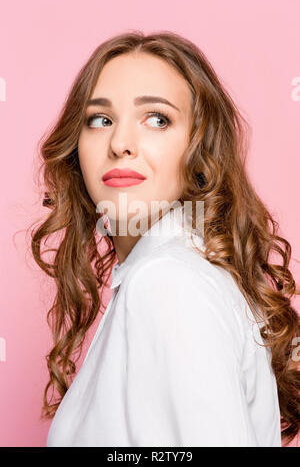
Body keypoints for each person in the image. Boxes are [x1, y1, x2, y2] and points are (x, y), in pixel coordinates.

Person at [29, 30, 300, 447]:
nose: (120, 143)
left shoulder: (166, 282)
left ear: (199, 149)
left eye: (157, 119)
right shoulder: (164, 274)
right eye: (100, 119)